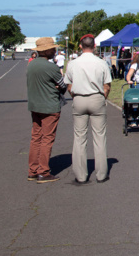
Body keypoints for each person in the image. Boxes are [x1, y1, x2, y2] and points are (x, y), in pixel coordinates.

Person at [65, 34, 112, 184]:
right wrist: (103, 97)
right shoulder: (101, 63)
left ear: (80, 46)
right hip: (97, 97)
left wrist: (75, 96)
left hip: (79, 97)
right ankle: (101, 174)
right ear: (94, 46)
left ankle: (81, 175)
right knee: (99, 137)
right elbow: (107, 85)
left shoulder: (73, 63)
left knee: (79, 138)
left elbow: (69, 84)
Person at [26, 37, 67, 183]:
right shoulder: (51, 67)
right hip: (49, 106)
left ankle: (33, 170)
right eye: (52, 49)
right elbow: (63, 85)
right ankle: (43, 171)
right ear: (47, 51)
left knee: (35, 138)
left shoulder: (31, 65)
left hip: (35, 105)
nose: (54, 51)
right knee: (47, 139)